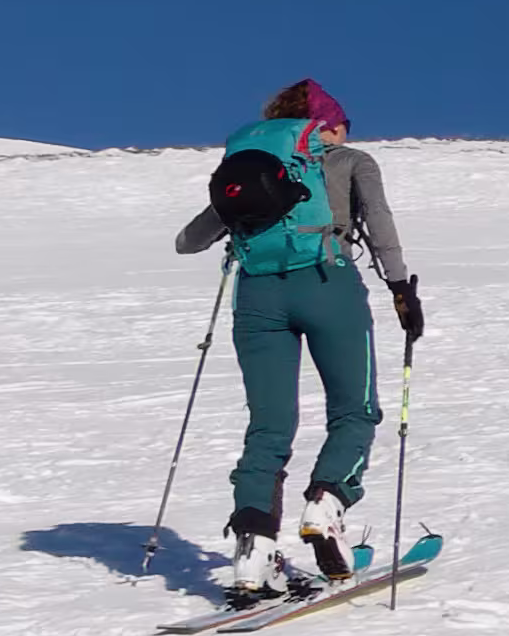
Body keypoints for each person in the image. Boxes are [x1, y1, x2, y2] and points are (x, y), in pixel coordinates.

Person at [175, 79, 428, 599]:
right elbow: (379, 225)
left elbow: (189, 242)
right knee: (354, 410)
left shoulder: (251, 165)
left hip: (257, 298)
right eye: (341, 125)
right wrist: (402, 290)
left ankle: (253, 554)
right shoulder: (350, 161)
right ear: (326, 124)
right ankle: (327, 503)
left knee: (268, 428)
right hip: (328, 285)